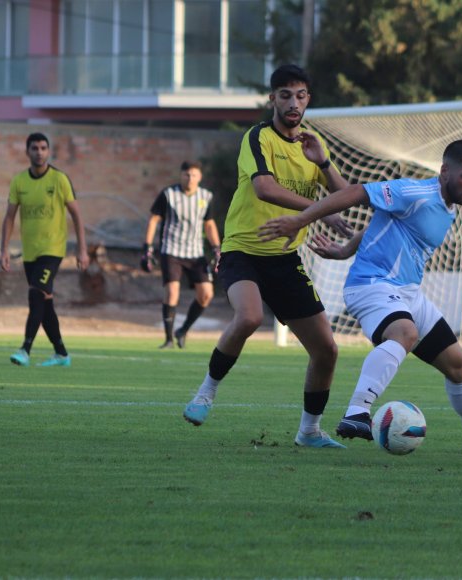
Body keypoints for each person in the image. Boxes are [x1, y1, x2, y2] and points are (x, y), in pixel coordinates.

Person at [259, 140, 462, 454]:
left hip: (407, 293)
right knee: (405, 333)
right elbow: (357, 192)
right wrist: (300, 219)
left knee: (461, 366)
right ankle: (357, 412)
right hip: (371, 285)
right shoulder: (416, 193)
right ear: (445, 171)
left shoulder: (449, 206)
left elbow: (385, 222)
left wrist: (345, 249)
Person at [182, 64, 354, 448]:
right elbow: (264, 188)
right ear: (272, 99)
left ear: (309, 99)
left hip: (284, 257)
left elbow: (345, 194)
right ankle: (205, 392)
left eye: (301, 95)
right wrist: (319, 209)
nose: (294, 103)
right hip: (243, 248)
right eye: (286, 95)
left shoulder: (312, 146)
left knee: (326, 350)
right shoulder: (257, 137)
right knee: (250, 316)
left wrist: (323, 162)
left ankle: (309, 431)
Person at [0, 132, 89, 367]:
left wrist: (82, 249)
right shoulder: (19, 181)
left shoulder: (59, 180)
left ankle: (25, 349)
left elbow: (77, 215)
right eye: (34, 148)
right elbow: (9, 217)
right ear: (27, 151)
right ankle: (61, 353)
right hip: (30, 252)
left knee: (35, 294)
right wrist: (4, 249)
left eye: (43, 148)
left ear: (48, 152)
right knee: (44, 302)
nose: (39, 152)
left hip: (53, 249)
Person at [141, 161, 222, 349]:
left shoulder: (205, 196)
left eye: (194, 175)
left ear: (200, 177)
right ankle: (168, 339)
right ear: (181, 175)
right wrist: (147, 247)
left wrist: (217, 249)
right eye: (187, 174)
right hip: (171, 251)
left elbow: (209, 224)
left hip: (195, 253)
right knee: (172, 292)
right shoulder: (168, 195)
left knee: (206, 295)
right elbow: (154, 220)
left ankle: (183, 330)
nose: (190, 178)